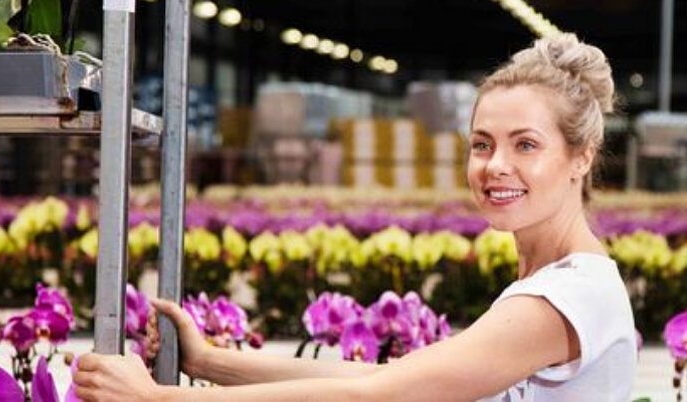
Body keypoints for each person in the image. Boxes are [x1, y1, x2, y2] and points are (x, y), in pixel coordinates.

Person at [73, 33, 637, 401]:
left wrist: (159, 399)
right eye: (483, 144)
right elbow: (378, 377)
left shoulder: (567, 297)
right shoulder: (552, 282)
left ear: (581, 156)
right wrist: (214, 363)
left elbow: (379, 396)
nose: (497, 166)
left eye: (526, 145)